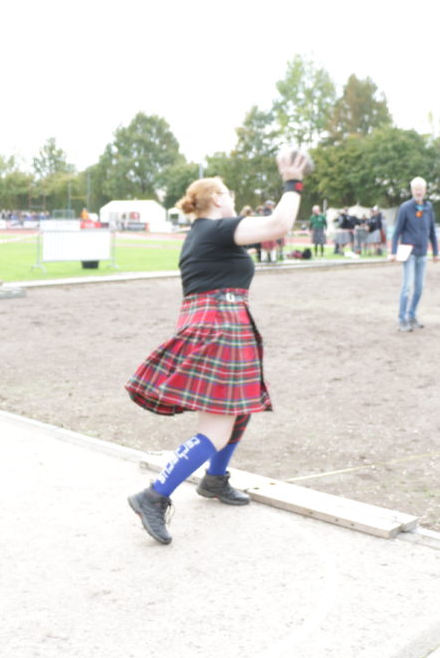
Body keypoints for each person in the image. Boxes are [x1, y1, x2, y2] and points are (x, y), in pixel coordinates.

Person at [125, 150, 309, 545]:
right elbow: (278, 225)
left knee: (240, 409)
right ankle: (153, 496)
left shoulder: (204, 234)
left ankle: (214, 479)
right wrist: (292, 183)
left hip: (221, 322)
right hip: (219, 327)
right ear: (216, 199)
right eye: (228, 193)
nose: (232, 198)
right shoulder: (215, 229)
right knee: (216, 430)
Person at [391, 177, 439, 332]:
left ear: (425, 190)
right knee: (407, 286)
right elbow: (397, 231)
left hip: (422, 253)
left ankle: (411, 315)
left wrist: (436, 251)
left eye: (421, 189)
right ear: (412, 191)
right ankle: (402, 319)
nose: (419, 192)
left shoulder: (428, 207)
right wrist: (393, 252)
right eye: (416, 189)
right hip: (409, 253)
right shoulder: (405, 207)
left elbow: (432, 231)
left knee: (419, 287)